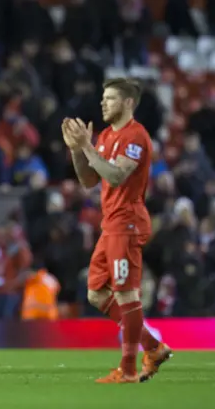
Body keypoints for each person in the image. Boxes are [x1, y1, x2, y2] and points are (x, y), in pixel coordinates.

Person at [62, 78, 172, 384]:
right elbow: (89, 180)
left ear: (127, 103)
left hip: (128, 222)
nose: (102, 103)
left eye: (109, 99)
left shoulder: (135, 137)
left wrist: (87, 146)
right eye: (103, 98)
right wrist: (76, 150)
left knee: (126, 294)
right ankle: (153, 346)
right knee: (97, 293)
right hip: (110, 224)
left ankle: (128, 369)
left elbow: (116, 175)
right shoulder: (107, 135)